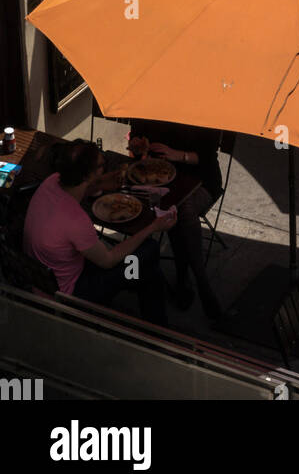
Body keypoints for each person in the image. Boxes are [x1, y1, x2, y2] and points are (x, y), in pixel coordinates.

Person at [23, 140, 173, 324]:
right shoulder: (75, 220)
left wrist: (100, 182)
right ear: (87, 175)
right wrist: (153, 227)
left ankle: (146, 297)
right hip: (73, 293)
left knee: (148, 271)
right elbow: (108, 260)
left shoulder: (52, 181)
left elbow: (77, 191)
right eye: (101, 166)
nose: (104, 167)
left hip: (45, 277)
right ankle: (157, 325)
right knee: (148, 249)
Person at [128, 119, 223, 320]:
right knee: (175, 206)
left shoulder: (206, 106)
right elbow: (136, 138)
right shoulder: (147, 98)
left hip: (202, 179)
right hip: (159, 176)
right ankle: (188, 279)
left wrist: (177, 155)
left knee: (181, 209)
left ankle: (195, 280)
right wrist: (138, 145)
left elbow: (207, 157)